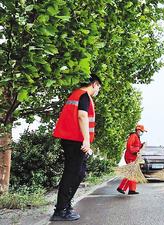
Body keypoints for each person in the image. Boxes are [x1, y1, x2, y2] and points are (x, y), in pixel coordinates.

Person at [50, 75, 102, 221]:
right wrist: (86, 140)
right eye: (99, 87)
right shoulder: (83, 95)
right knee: (72, 173)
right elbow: (82, 116)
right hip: (75, 141)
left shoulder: (77, 94)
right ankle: (60, 210)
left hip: (72, 140)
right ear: (94, 84)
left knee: (78, 173)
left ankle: (65, 205)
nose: (98, 90)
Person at [117, 124, 147, 195]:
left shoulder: (137, 137)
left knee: (132, 173)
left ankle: (131, 190)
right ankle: (122, 188)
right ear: (138, 130)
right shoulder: (133, 136)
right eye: (142, 131)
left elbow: (137, 146)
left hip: (133, 157)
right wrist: (138, 149)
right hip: (130, 157)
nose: (142, 133)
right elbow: (129, 146)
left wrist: (142, 145)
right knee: (131, 173)